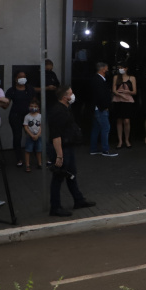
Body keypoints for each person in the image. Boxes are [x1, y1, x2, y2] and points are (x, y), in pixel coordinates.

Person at [47, 85, 96, 216]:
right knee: (58, 177)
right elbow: (55, 135)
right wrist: (59, 156)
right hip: (61, 148)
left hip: (68, 147)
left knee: (71, 174)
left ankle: (78, 200)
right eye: (70, 93)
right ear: (64, 97)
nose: (73, 95)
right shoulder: (58, 112)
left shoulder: (66, 108)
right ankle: (55, 207)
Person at [5, 70, 36, 168]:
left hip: (29, 116)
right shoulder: (11, 90)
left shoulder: (30, 89)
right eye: (20, 76)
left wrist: (36, 113)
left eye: (24, 76)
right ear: (16, 79)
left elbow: (35, 102)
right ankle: (19, 158)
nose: (23, 78)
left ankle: (36, 156)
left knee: (33, 134)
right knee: (17, 136)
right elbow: (6, 105)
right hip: (15, 116)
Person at [89, 62, 117, 157]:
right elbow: (100, 95)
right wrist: (105, 106)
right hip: (100, 108)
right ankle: (105, 150)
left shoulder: (96, 79)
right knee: (106, 128)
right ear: (103, 69)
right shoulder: (98, 80)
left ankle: (93, 149)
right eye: (106, 68)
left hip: (97, 108)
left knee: (96, 128)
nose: (107, 70)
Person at [111, 64, 136, 149]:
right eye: (119, 68)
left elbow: (134, 91)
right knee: (119, 120)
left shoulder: (132, 78)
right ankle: (120, 141)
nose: (120, 69)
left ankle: (127, 139)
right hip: (118, 100)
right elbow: (114, 90)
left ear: (126, 68)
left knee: (126, 120)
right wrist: (121, 95)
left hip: (128, 100)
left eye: (122, 68)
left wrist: (127, 92)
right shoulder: (116, 77)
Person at [22, 99, 42, 173]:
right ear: (29, 107)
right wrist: (31, 135)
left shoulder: (40, 116)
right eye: (31, 106)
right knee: (28, 150)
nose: (33, 107)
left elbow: (41, 126)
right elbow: (25, 127)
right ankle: (27, 165)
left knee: (39, 150)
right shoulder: (27, 117)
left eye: (35, 106)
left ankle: (40, 163)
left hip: (38, 136)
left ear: (38, 108)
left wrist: (38, 134)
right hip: (29, 136)